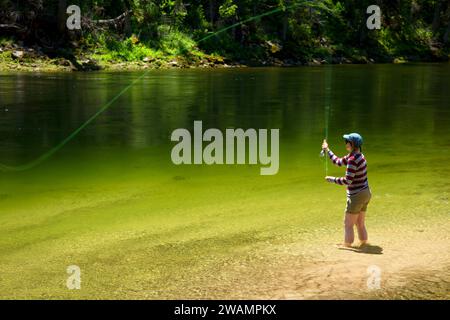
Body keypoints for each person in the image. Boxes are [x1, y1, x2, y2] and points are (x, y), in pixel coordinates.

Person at [322, 133, 371, 248]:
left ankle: (347, 246)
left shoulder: (353, 160)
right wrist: (327, 150)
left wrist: (332, 179)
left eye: (347, 142)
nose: (345, 144)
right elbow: (337, 162)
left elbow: (347, 181)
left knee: (348, 224)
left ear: (352, 144)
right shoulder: (359, 156)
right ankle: (364, 244)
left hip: (356, 196)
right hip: (366, 193)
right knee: (360, 223)